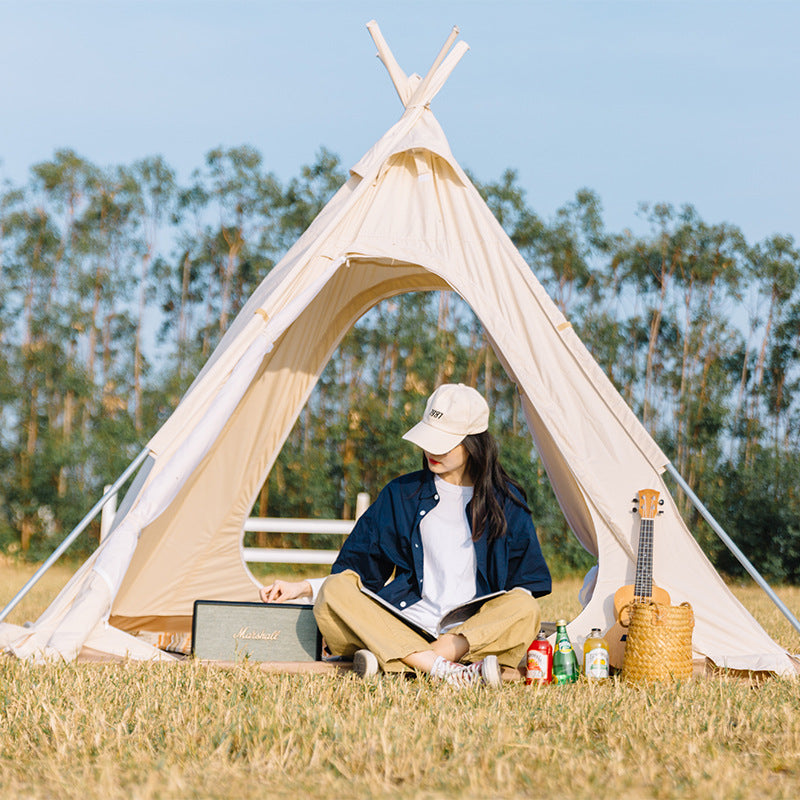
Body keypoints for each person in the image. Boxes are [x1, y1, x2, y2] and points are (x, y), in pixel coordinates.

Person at [259, 383, 551, 687]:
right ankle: (447, 669)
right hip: (405, 622)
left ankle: (408, 661)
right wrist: (303, 588)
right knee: (336, 590)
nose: (431, 451)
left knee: (524, 606)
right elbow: (359, 571)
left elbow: (525, 585)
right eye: (429, 440)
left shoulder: (506, 501)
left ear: (474, 443)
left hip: (471, 635)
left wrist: (478, 629)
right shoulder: (402, 494)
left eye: (444, 443)